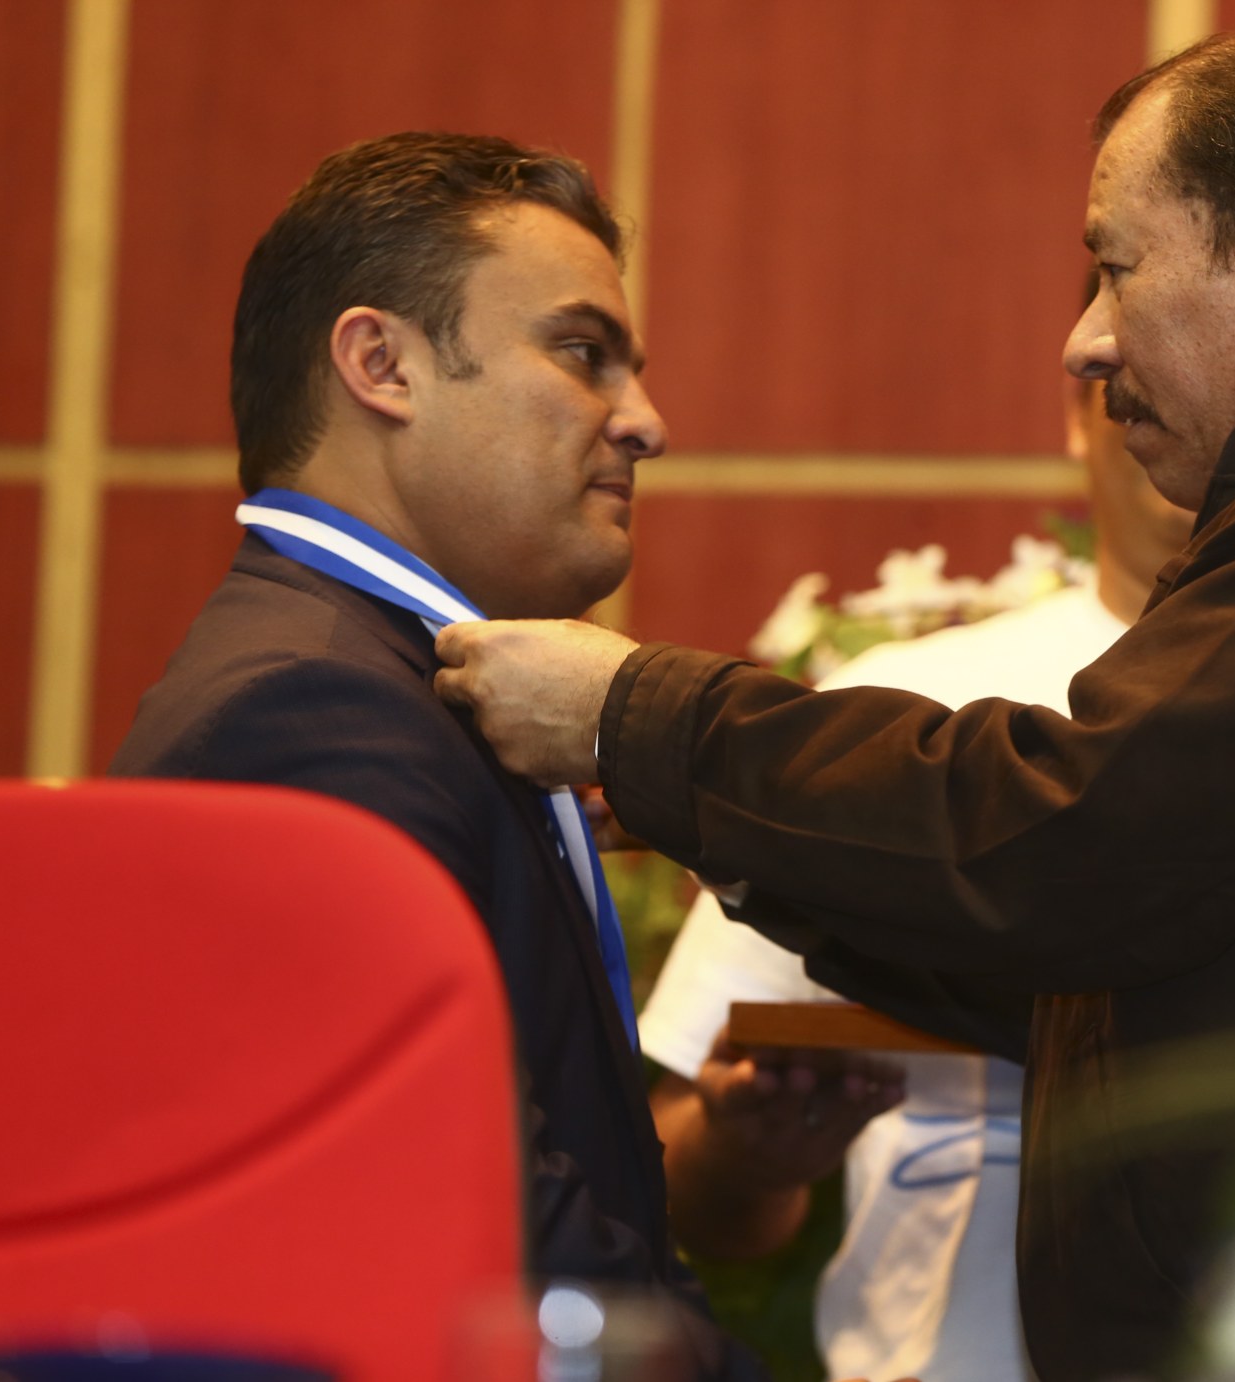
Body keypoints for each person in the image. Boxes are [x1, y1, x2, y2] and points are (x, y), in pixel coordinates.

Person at [436, 29, 1235, 1380]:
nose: (1086, 340)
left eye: (1117, 267)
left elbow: (1075, 832)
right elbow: (1138, 967)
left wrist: (638, 715)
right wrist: (705, 809)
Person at [108, 132, 764, 1382]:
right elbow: (481, 1230)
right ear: (382, 364)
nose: (646, 421)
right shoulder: (307, 714)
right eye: (582, 352)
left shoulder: (395, 684)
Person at [639, 346, 1194, 1382]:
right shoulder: (898, 706)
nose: (1189, 415)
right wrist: (750, 1150)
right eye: (1141, 385)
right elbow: (689, 1185)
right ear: (1080, 413)